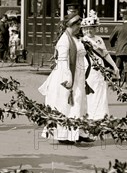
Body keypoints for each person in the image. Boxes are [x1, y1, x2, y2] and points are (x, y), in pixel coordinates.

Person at [38, 13, 91, 144]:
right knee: (67, 105)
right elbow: (62, 61)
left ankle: (79, 132)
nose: (80, 27)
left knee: (80, 103)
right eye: (78, 24)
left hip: (78, 74)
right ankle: (63, 135)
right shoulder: (64, 40)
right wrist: (69, 77)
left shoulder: (76, 38)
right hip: (66, 76)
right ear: (71, 25)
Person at [81, 11, 119, 120]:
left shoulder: (99, 39)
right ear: (83, 29)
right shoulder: (83, 40)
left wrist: (114, 66)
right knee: (91, 92)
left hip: (100, 69)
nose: (89, 30)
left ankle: (101, 115)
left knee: (101, 91)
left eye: (92, 28)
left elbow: (105, 54)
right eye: (87, 28)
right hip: (88, 68)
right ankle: (91, 115)